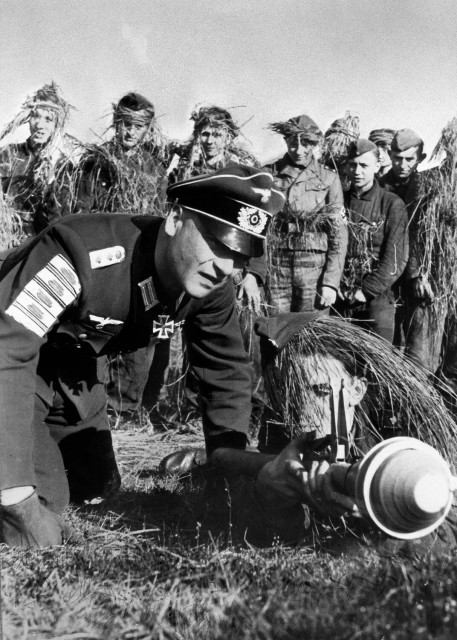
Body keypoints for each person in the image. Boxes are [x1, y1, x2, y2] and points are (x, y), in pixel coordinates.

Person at [0, 164, 286, 548]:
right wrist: (16, 499)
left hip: (69, 373)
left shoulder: (210, 285)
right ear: (176, 219)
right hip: (11, 362)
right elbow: (7, 350)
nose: (228, 267)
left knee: (96, 487)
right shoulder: (83, 253)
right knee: (38, 516)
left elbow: (225, 373)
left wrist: (230, 470)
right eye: (219, 243)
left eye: (242, 255)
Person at [212, 313, 457, 552]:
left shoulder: (401, 431)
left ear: (357, 389)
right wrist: (272, 496)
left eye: (321, 392)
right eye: (291, 400)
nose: (304, 416)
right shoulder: (278, 424)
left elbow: (443, 528)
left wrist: (371, 516)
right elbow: (265, 540)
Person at [265, 113, 347, 315]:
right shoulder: (268, 174)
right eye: (293, 143)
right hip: (276, 261)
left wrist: (330, 282)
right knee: (275, 328)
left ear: (315, 143)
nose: (299, 150)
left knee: (312, 329)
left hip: (313, 266)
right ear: (286, 141)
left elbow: (338, 233)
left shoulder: (328, 178)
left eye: (307, 143)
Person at [336, 139, 409, 343]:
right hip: (340, 296)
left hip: (377, 298)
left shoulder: (391, 203)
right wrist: (337, 284)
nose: (357, 171)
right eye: (352, 165)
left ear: (377, 166)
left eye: (364, 165)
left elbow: (396, 259)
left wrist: (366, 291)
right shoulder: (337, 201)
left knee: (376, 367)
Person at [0, 82, 75, 243]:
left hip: (38, 246)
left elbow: (60, 220)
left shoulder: (63, 167)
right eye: (36, 116)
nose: (40, 125)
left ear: (57, 125)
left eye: (48, 119)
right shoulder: (8, 154)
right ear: (28, 119)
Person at [75, 92, 169, 216]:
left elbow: (159, 215)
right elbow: (82, 210)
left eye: (139, 126)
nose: (131, 132)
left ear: (148, 128)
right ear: (117, 121)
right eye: (127, 124)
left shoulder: (156, 169)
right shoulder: (97, 159)